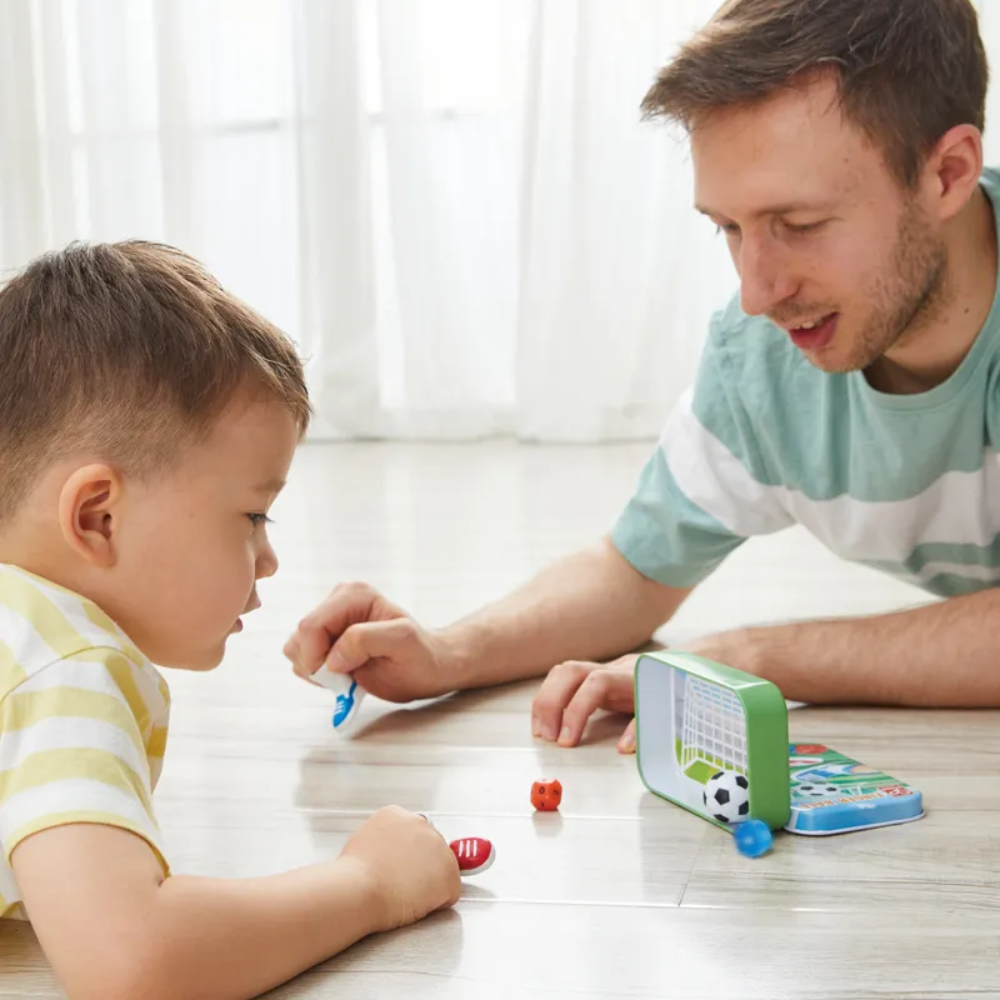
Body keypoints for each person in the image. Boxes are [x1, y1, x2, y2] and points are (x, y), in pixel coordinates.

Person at [284, 0, 1000, 754]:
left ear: (948, 173)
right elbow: (633, 573)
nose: (758, 293)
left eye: (802, 224)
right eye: (728, 227)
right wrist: (450, 651)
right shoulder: (761, 355)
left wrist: (752, 659)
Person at [0, 242, 460, 1000]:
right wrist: (370, 883)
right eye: (251, 515)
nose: (268, 557)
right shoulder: (64, 659)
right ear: (98, 516)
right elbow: (132, 962)